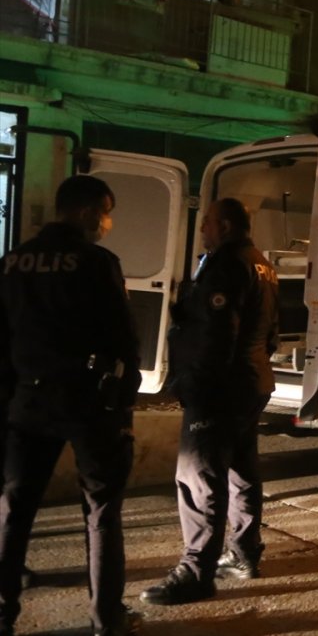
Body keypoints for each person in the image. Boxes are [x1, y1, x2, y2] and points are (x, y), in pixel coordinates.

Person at [0, 175, 142, 636]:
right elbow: (125, 341)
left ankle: (2, 614)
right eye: (106, 213)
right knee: (101, 510)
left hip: (28, 402)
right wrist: (123, 407)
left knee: (14, 511)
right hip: (88, 403)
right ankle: (107, 620)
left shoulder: (12, 262)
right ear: (86, 212)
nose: (107, 223)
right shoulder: (97, 263)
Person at [142, 198, 278, 606]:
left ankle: (196, 572)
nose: (202, 230)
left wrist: (195, 384)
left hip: (219, 388)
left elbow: (217, 335)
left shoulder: (226, 266)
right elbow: (271, 332)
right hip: (252, 382)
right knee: (241, 471)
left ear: (225, 225)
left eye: (207, 223)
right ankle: (244, 553)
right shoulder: (263, 265)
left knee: (198, 478)